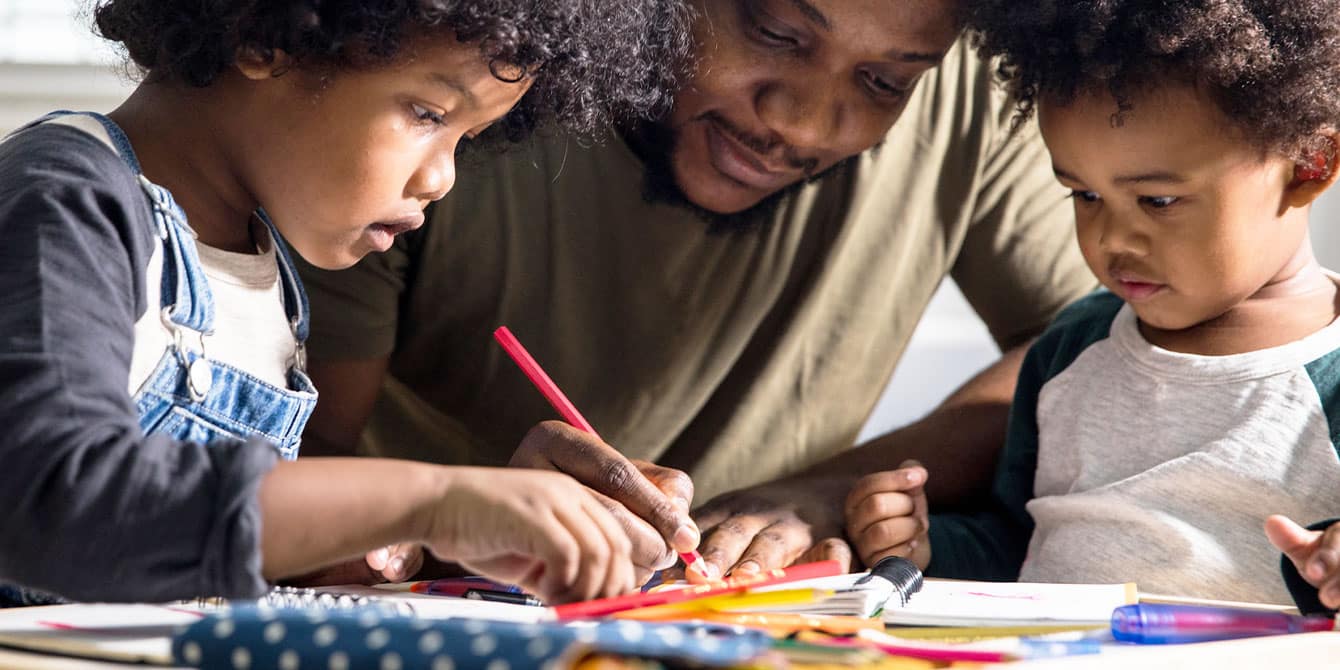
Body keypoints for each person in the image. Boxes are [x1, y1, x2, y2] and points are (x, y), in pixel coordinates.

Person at [297, 0, 1098, 583]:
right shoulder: (450, 106)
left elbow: (1087, 351)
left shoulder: (967, 86)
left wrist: (826, 491)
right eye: (778, 33)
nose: (806, 123)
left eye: (885, 82)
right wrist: (446, 523)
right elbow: (292, 468)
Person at [0, 0, 693, 605]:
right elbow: (52, 503)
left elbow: (227, 539)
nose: (441, 178)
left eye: (465, 140)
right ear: (263, 36)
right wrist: (435, 501)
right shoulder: (67, 201)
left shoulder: (268, 269)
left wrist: (469, 527)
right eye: (428, 113)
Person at [844, 0, 1340, 609]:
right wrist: (925, 548)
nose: (1110, 239)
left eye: (1157, 201)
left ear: (1309, 164)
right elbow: (1019, 543)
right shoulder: (1071, 348)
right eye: (1084, 195)